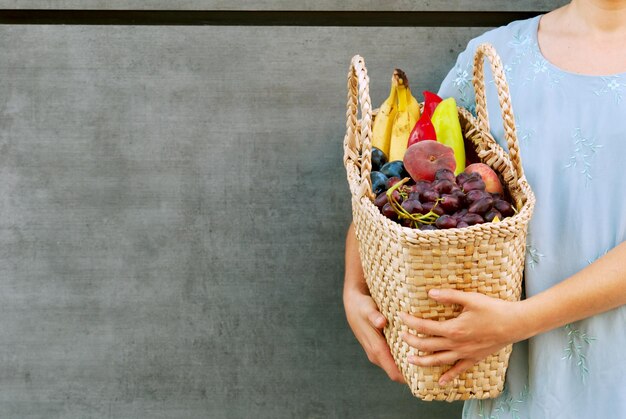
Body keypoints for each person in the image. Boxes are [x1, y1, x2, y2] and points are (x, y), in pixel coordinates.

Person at [343, 1, 626, 417]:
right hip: (518, 389)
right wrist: (354, 287)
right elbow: (398, 193)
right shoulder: (496, 59)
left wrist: (519, 322)